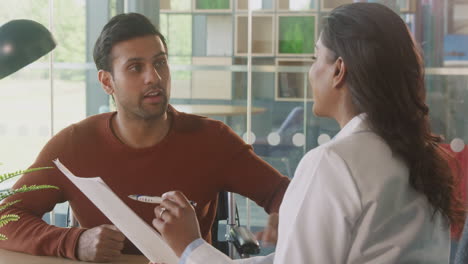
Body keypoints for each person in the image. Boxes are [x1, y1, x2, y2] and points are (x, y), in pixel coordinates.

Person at [151, 3, 465, 263]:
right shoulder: (418, 159)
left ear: (339, 70)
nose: (310, 71)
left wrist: (190, 247)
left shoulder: (334, 163)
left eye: (316, 58)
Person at [0, 13, 290, 262]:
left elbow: (285, 194)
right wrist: (75, 242)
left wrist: (283, 214)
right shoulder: (73, 144)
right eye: (135, 67)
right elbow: (5, 220)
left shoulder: (213, 140)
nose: (154, 77)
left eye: (160, 63)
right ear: (106, 81)